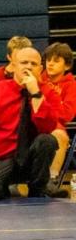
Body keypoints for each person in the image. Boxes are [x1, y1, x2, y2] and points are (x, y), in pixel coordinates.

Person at [0, 46, 61, 201]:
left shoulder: (48, 93)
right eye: (24, 62)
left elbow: (48, 128)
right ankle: (5, 187)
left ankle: (38, 189)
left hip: (32, 160)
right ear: (14, 66)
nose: (28, 66)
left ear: (41, 69)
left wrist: (36, 94)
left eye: (33, 64)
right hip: (2, 160)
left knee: (47, 140)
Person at [43, 42, 76, 191]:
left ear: (67, 66)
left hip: (55, 126)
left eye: (56, 61)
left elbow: (67, 114)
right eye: (48, 60)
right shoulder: (38, 78)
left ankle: (52, 178)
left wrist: (46, 107)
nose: (50, 64)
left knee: (62, 137)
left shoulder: (71, 85)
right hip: (34, 123)